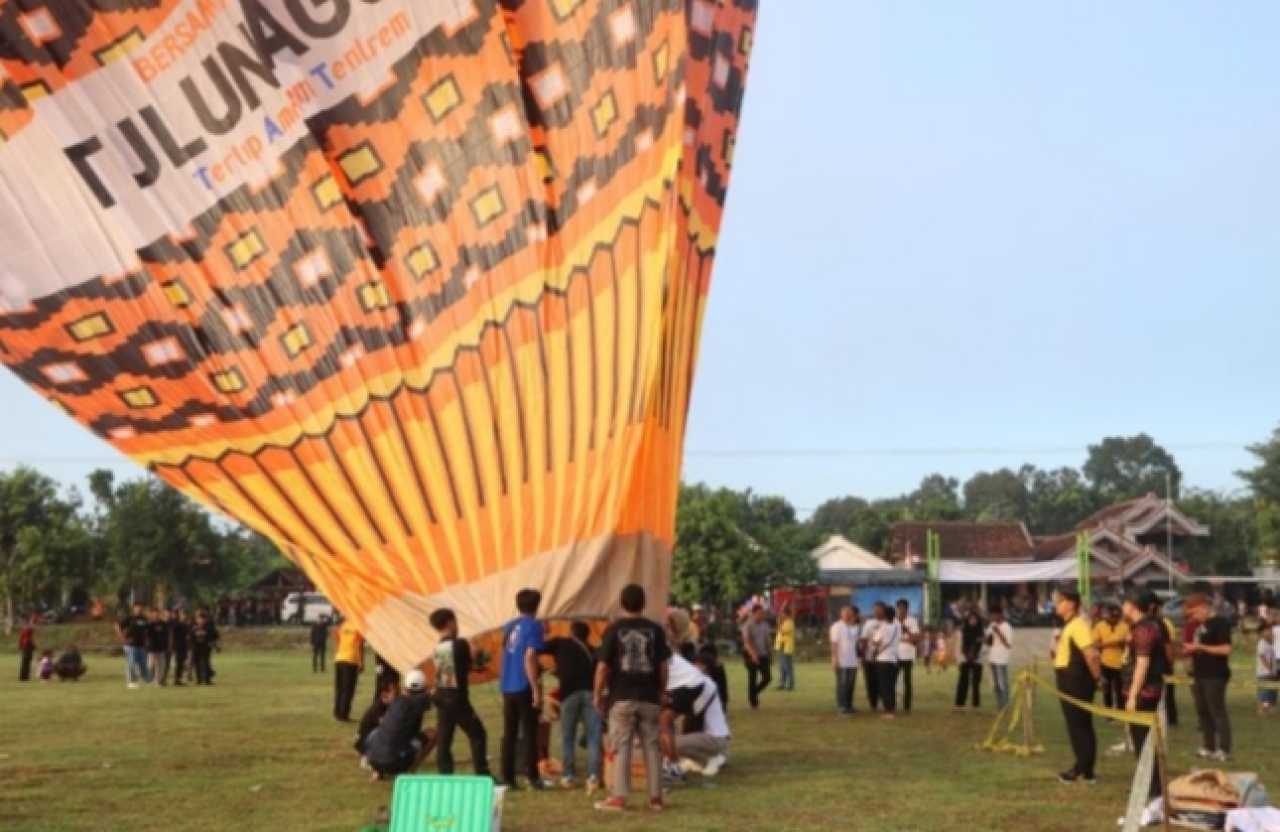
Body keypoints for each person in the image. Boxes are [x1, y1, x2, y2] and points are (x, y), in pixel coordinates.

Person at [594, 583, 671, 813]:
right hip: (649, 696)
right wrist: (662, 690)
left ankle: (619, 797)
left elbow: (603, 667)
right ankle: (655, 798)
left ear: (621, 603)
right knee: (652, 748)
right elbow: (663, 666)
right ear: (644, 603)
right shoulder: (656, 630)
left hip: (621, 696)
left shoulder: (613, 630)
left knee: (622, 746)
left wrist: (597, 694)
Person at [429, 608, 493, 778]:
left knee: (444, 738)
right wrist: (478, 654)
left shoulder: (437, 648)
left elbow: (452, 669)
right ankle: (482, 773)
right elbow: (476, 657)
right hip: (456, 698)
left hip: (440, 695)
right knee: (477, 733)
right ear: (450, 622)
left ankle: (445, 774)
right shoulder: (460, 644)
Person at [1120, 588, 1169, 801]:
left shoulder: (1145, 629)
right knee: (1140, 739)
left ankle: (1153, 785)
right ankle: (1147, 781)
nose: (1122, 608)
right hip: (1143, 688)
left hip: (1144, 691)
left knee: (1143, 740)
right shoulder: (1144, 626)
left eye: (1124, 603)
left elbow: (1142, 664)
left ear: (1132, 605)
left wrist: (1133, 695)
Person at [542, 620, 600, 788]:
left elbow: (538, 647)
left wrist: (544, 630)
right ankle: (593, 776)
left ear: (571, 632)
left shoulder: (560, 643)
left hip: (569, 694)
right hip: (589, 693)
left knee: (568, 736)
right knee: (593, 736)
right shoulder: (593, 651)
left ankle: (568, 776)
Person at [1053, 590, 1103, 785]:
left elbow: (1091, 654)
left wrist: (1097, 678)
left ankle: (1083, 769)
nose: (1056, 604)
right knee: (1076, 725)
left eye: (1060, 601)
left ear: (1071, 604)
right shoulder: (1070, 625)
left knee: (1080, 725)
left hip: (1076, 680)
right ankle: (1084, 767)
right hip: (1068, 678)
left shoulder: (1078, 625)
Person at [500, 589, 545, 790]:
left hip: (507, 684)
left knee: (509, 733)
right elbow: (529, 656)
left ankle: (508, 777)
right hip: (523, 684)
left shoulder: (510, 626)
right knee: (529, 732)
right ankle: (532, 777)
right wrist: (535, 688)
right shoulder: (534, 626)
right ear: (537, 606)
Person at [660, 653, 729, 781]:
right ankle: (705, 759)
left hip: (714, 738)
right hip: (708, 736)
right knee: (668, 739)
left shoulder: (706, 685)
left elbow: (692, 720)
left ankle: (707, 759)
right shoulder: (699, 683)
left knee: (668, 743)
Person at [1185, 593, 1233, 762]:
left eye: (1195, 613)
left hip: (1215, 674)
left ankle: (1224, 748)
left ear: (1204, 607)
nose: (1194, 617)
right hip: (1200, 673)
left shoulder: (1221, 623)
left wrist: (1201, 647)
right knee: (1202, 710)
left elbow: (1226, 649)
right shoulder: (1200, 626)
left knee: (1217, 711)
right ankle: (1208, 746)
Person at [365, 670, 436, 780]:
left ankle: (377, 772)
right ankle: (410, 772)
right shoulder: (420, 700)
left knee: (381, 733)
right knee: (433, 734)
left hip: (373, 760)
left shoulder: (396, 700)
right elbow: (434, 694)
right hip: (394, 762)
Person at [1092, 604, 1128, 715]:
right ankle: (1109, 714)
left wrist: (1123, 643)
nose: (1114, 620)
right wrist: (1110, 644)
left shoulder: (1125, 627)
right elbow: (1094, 645)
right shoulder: (1099, 626)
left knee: (1120, 690)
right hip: (1105, 663)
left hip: (1121, 663)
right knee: (1107, 690)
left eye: (1117, 617)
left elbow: (1129, 645)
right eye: (1112, 617)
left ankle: (1121, 713)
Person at [872, 603, 902, 720]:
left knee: (884, 685)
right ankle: (892, 707)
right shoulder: (897, 628)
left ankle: (888, 710)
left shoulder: (882, 627)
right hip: (893, 659)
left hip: (883, 659)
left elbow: (875, 641)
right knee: (891, 685)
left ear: (884, 615)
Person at [356, 678, 399, 760]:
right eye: (395, 693)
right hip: (365, 742)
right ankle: (368, 756)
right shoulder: (378, 709)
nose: (398, 695)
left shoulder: (389, 707)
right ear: (385, 694)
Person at [740, 604, 772, 710]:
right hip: (750, 654)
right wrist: (753, 655)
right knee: (752, 677)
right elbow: (747, 642)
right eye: (759, 613)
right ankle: (753, 703)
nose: (761, 615)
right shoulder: (747, 625)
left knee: (767, 677)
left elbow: (767, 641)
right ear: (753, 614)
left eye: (762, 613)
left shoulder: (765, 625)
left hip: (763, 653)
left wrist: (769, 653)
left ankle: (753, 693)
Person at [830, 606, 860, 716]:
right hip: (842, 660)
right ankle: (842, 706)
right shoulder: (837, 626)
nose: (848, 615)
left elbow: (856, 644)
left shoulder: (854, 627)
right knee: (842, 683)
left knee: (850, 684)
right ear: (841, 614)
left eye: (850, 613)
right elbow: (834, 643)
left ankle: (849, 705)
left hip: (852, 660)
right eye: (846, 613)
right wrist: (835, 658)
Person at [333, 616, 364, 722]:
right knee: (348, 689)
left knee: (339, 687)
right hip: (351, 660)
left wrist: (337, 654)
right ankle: (343, 714)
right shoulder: (357, 628)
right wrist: (361, 662)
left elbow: (337, 641)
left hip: (339, 659)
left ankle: (337, 712)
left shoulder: (342, 626)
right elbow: (359, 645)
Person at [1154, 599, 1179, 727]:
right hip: (1156, 666)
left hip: (1164, 665)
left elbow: (1170, 645)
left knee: (1167, 694)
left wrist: (1170, 663)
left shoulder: (1165, 624)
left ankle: (1171, 719)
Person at [954, 610, 985, 713]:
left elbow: (984, 646)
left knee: (976, 683)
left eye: (974, 619)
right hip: (965, 658)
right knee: (963, 681)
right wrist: (962, 657)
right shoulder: (963, 631)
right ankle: (959, 705)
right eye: (970, 619)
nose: (972, 621)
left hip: (978, 659)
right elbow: (959, 645)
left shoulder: (981, 631)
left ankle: (976, 706)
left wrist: (976, 655)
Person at [986, 607, 1015, 711]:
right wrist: (986, 638)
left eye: (993, 615)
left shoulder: (1007, 627)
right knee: (995, 684)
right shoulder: (992, 625)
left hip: (1001, 659)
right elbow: (989, 642)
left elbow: (1008, 644)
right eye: (990, 615)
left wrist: (998, 632)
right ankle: (999, 705)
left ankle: (1005, 705)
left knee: (1002, 683)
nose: (991, 617)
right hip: (992, 657)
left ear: (999, 615)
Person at [117, 602, 150, 688]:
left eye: (140, 608)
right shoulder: (129, 618)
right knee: (131, 664)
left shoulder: (144, 619)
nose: (139, 610)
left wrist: (146, 641)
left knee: (143, 664)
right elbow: (118, 626)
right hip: (130, 645)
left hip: (141, 646)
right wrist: (123, 638)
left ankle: (148, 680)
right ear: (134, 609)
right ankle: (131, 681)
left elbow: (146, 631)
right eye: (137, 608)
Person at [896, 599, 920, 713]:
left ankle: (907, 706)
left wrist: (906, 631)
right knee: (894, 680)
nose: (901, 611)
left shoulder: (912, 621)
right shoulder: (893, 620)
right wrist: (905, 639)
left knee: (907, 680)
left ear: (907, 609)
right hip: (895, 655)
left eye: (903, 608)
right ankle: (893, 703)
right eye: (899, 608)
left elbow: (915, 639)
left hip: (908, 655)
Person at [860, 607, 881, 711]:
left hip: (883, 658)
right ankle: (873, 704)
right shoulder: (869, 624)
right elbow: (864, 640)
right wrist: (863, 656)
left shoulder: (889, 623)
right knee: (870, 682)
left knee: (882, 682)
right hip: (869, 657)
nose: (877, 612)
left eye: (879, 609)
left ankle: (886, 703)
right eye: (875, 610)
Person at [146, 608, 171, 687]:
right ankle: (151, 680)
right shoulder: (149, 624)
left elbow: (167, 635)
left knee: (159, 665)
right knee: (150, 665)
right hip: (152, 648)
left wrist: (168, 645)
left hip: (161, 648)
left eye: (156, 613)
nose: (155, 615)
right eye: (153, 614)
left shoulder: (163, 624)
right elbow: (146, 635)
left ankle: (157, 681)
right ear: (151, 615)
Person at [190, 610, 216, 686]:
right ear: (196, 620)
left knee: (205, 663)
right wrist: (192, 646)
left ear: (205, 620)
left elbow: (212, 637)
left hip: (205, 648)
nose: (200, 620)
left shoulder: (208, 628)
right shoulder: (194, 628)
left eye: (202, 619)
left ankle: (207, 679)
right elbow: (191, 638)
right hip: (196, 649)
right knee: (197, 664)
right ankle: (199, 679)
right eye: (199, 619)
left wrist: (212, 644)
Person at [774, 606, 796, 692]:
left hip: (786, 647)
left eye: (782, 614)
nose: (781, 615)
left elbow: (783, 631)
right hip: (781, 646)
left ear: (786, 614)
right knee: (781, 667)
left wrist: (779, 623)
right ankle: (782, 683)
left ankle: (789, 684)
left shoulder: (789, 622)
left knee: (787, 667)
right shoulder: (784, 622)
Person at [1257, 623, 1276, 716]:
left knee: (1272, 690)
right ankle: (1261, 708)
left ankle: (1271, 707)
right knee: (1264, 690)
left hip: (1273, 671)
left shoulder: (1272, 643)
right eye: (1267, 630)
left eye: (1270, 630)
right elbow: (1262, 657)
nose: (1269, 632)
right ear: (1262, 633)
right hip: (1264, 672)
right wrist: (1269, 668)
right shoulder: (1261, 643)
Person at [171, 610, 190, 687]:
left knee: (182, 663)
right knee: (179, 663)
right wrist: (173, 646)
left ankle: (179, 679)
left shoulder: (185, 625)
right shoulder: (176, 625)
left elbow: (187, 636)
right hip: (178, 647)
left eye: (185, 615)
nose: (184, 617)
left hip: (184, 647)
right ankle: (176, 679)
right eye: (182, 615)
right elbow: (172, 636)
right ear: (179, 616)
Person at [17, 615, 36, 682]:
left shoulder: (24, 630)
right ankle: (25, 676)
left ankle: (23, 676)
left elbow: (21, 638)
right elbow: (30, 638)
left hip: (25, 646)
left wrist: (20, 646)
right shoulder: (28, 630)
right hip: (27, 645)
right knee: (27, 661)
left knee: (25, 661)